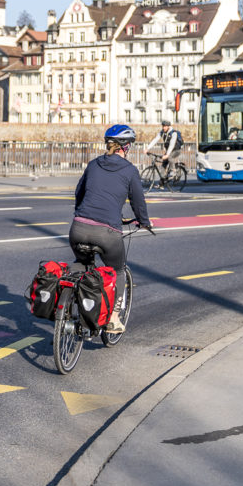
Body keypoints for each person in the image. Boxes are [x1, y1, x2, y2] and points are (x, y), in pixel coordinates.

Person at [70, 124, 151, 332]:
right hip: (107, 234)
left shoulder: (93, 164)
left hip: (78, 227)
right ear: (125, 147)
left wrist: (82, 214)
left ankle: (70, 307)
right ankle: (113, 319)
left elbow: (79, 194)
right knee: (118, 271)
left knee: (82, 264)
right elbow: (138, 202)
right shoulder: (130, 170)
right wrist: (144, 221)